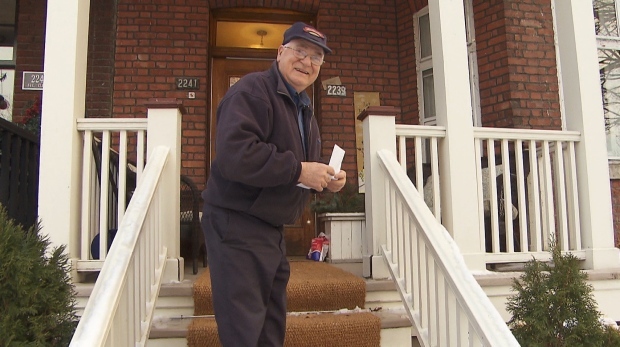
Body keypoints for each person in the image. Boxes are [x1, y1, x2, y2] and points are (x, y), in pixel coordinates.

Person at [201, 22, 347, 347]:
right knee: (244, 332)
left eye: (316, 57)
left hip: (271, 230)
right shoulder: (252, 92)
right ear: (280, 52)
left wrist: (326, 180)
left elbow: (299, 170)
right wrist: (299, 170)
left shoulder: (303, 107)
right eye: (300, 51)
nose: (307, 62)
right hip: (237, 225)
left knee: (270, 329)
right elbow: (236, 155)